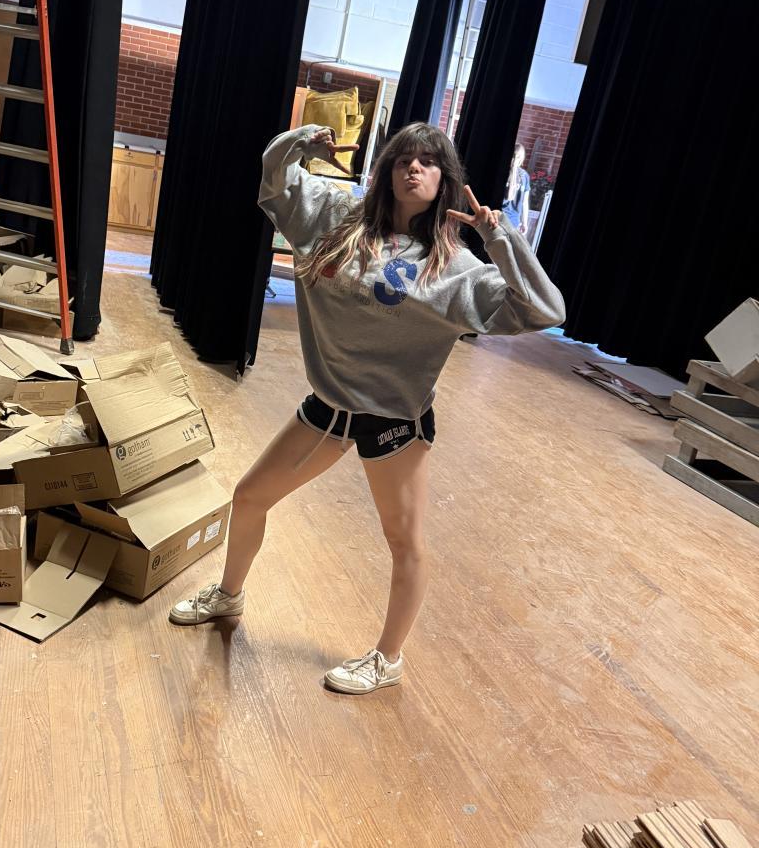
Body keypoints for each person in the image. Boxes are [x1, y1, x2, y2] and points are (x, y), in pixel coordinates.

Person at [168, 121, 564, 695]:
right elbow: (275, 179)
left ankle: (388, 658)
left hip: (394, 422)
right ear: (385, 170)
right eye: (403, 158)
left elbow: (546, 309)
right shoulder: (337, 219)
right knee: (250, 497)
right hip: (329, 408)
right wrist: (303, 142)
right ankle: (229, 595)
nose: (414, 168)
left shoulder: (453, 271)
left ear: (446, 181)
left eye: (428, 162)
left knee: (404, 542)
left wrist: (500, 237)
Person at [502, 142, 531, 235]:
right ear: (522, 158)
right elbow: (525, 203)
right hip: (513, 223)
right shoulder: (525, 176)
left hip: (497, 218)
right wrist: (524, 223)